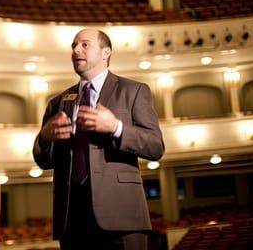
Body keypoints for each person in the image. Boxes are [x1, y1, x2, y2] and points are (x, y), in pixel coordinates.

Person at [33, 28, 164, 250]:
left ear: (106, 53)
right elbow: (43, 161)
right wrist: (45, 137)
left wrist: (116, 127)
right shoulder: (57, 102)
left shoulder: (133, 91)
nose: (76, 50)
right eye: (74, 46)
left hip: (122, 217)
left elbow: (155, 146)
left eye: (85, 44)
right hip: (72, 221)